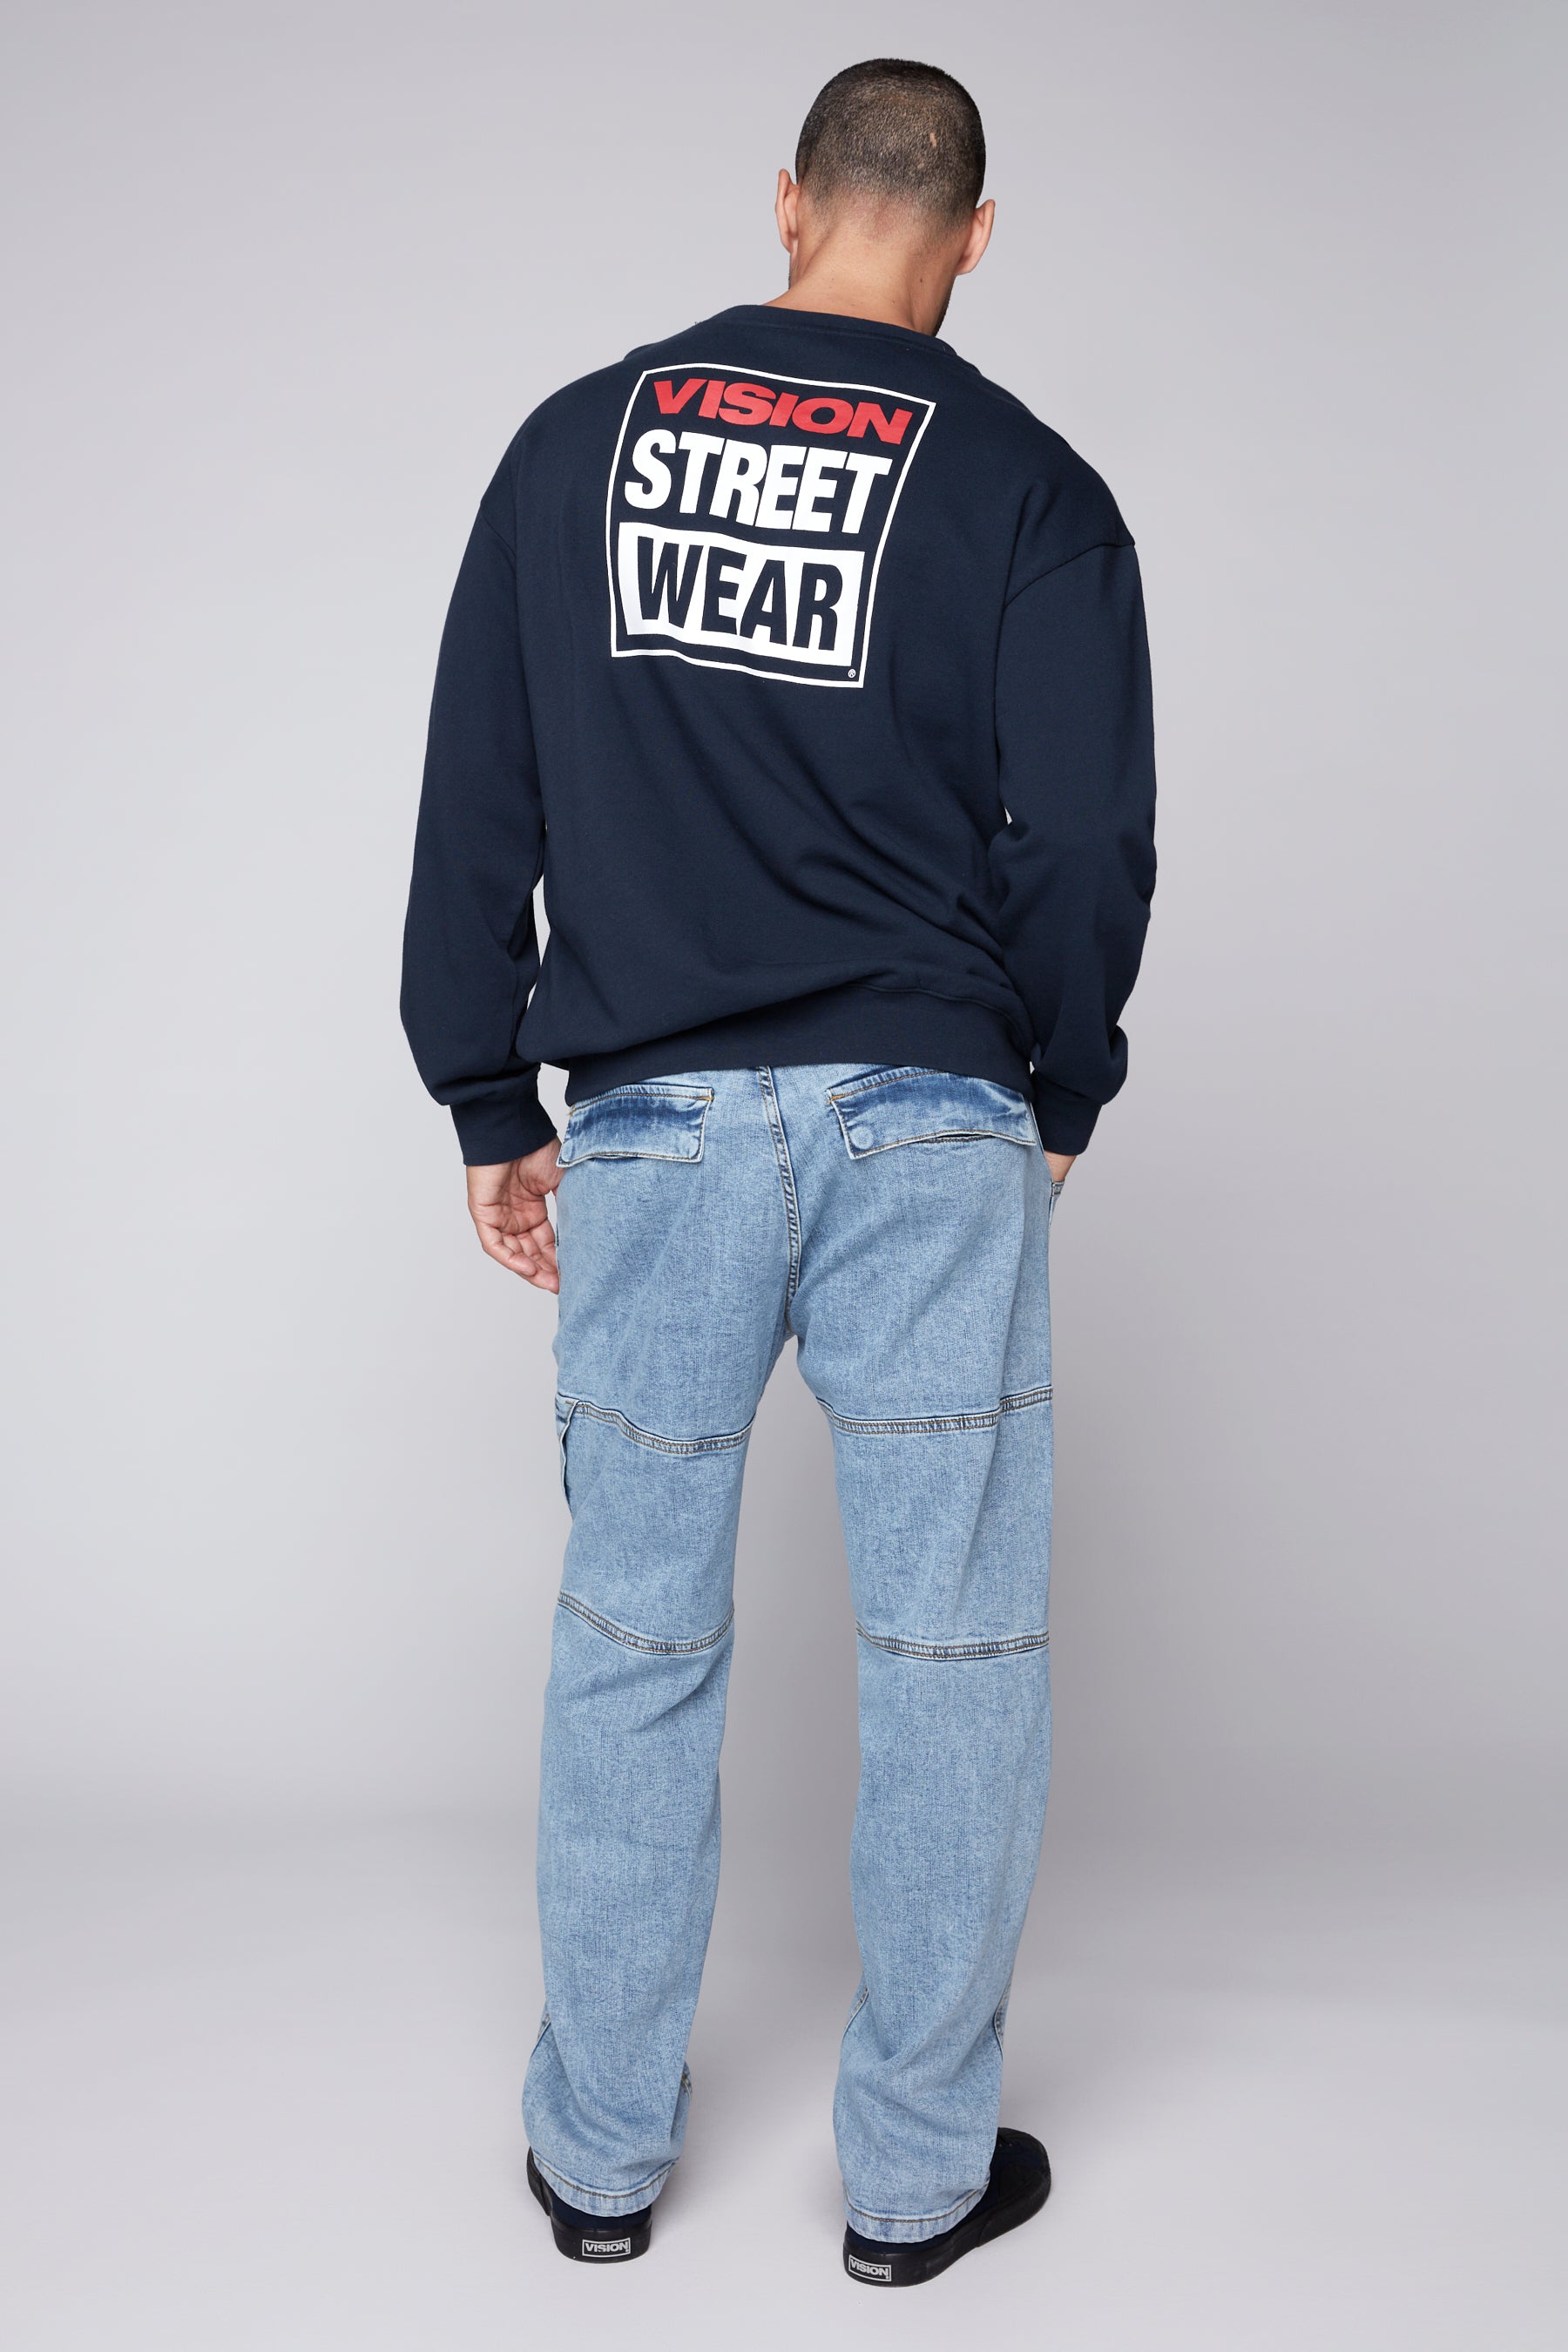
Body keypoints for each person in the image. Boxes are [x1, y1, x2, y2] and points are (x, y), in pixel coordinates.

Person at [401, 57, 1155, 2287]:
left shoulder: (574, 448)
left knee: (633, 1638)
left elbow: (479, 790)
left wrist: (488, 1100)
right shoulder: (1028, 489)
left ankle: (598, 2163)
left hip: (653, 1131)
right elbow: (1082, 840)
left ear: (789, 203)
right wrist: (1063, 1084)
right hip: (930, 1118)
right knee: (952, 1649)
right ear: (978, 234)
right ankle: (916, 2189)